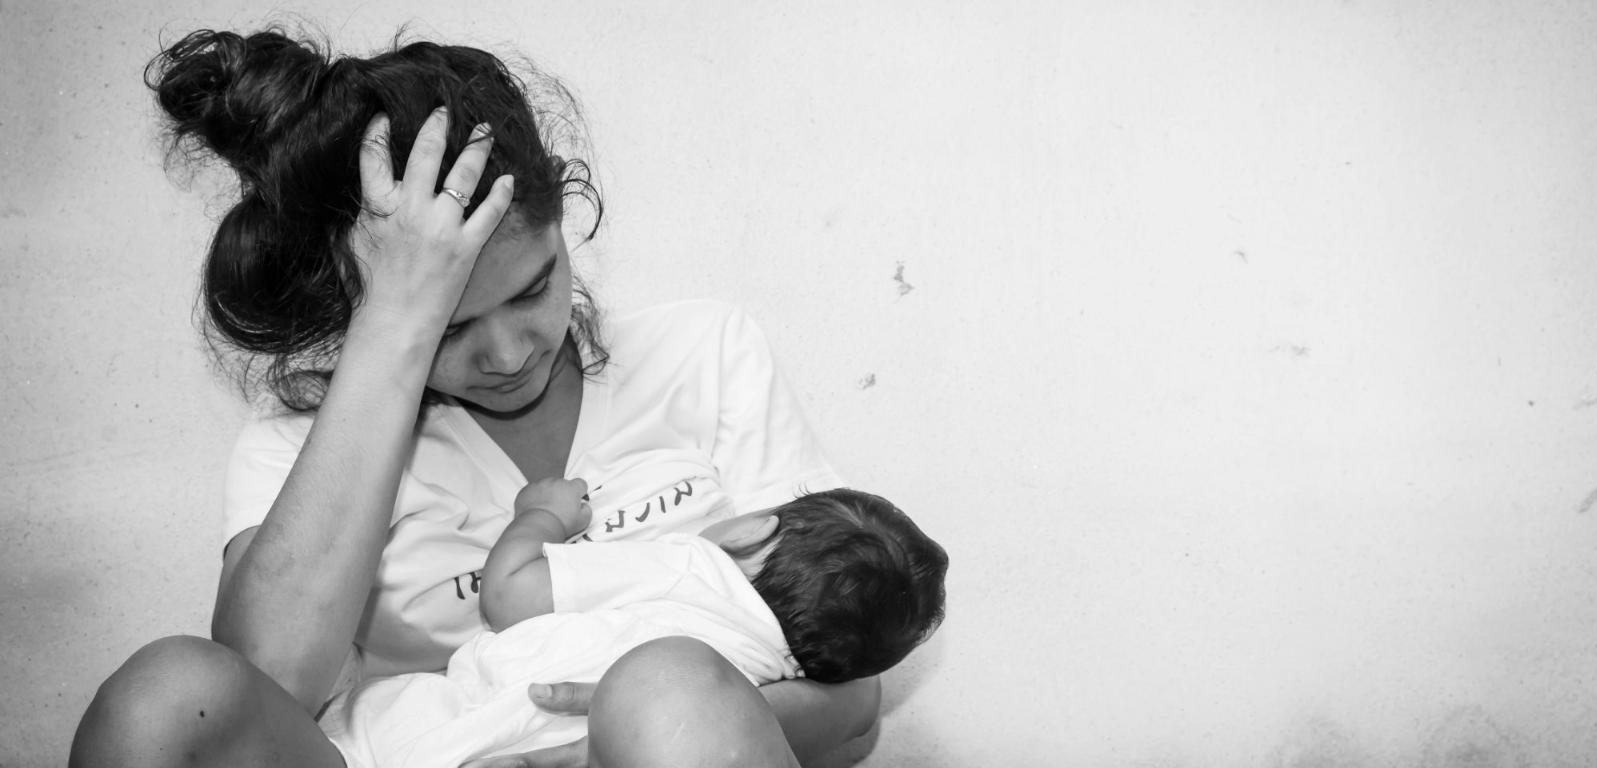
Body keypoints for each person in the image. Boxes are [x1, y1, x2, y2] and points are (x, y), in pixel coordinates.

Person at [70, 27, 884, 768]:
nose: (509, 354)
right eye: (450, 329)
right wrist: (395, 329)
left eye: (532, 289)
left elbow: (852, 700)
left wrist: (612, 732)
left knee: (668, 680)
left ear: (562, 217)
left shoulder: (704, 353)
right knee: (164, 694)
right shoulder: (295, 446)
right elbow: (266, 685)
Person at [324, 480, 948, 768]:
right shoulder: (765, 685)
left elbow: (509, 597)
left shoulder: (693, 566)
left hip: (451, 733)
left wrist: (540, 517)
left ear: (753, 530)